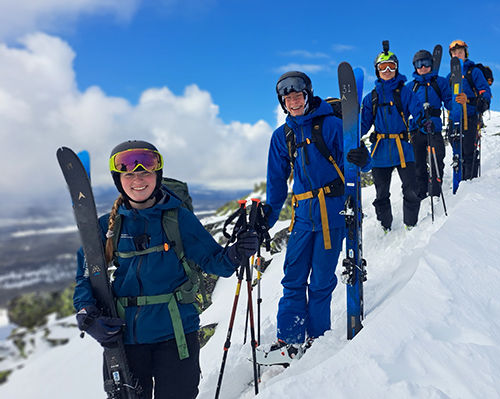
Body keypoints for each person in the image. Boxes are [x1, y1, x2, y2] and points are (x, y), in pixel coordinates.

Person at [73, 140, 258, 399]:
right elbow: (86, 275)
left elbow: (215, 262)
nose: (138, 179)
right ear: (118, 180)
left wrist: (236, 252)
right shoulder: (108, 227)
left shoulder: (179, 218)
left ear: (157, 175)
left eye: (145, 171)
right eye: (128, 174)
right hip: (125, 339)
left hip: (176, 336)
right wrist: (86, 312)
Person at [258, 71, 370, 365]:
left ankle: (317, 340)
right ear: (283, 103)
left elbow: (355, 156)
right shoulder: (282, 136)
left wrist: (363, 157)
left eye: (298, 95)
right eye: (288, 98)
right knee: (292, 278)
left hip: (332, 215)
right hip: (303, 217)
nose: (293, 102)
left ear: (307, 95)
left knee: (321, 280)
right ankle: (289, 341)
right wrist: (265, 222)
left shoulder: (331, 125)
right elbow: (276, 182)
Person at [361, 48, 424, 231]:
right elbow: (363, 124)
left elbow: (417, 111)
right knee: (381, 193)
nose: (387, 71)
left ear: (396, 69)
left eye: (391, 66)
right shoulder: (371, 98)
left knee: (411, 188)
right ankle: (384, 226)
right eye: (383, 67)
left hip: (403, 148)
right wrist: (351, 135)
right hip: (380, 150)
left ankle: (410, 225)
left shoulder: (405, 92)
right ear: (377, 70)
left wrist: (424, 121)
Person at [406, 49, 453, 198]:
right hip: (416, 129)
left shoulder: (440, 82)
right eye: (419, 64)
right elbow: (404, 111)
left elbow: (449, 102)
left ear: (431, 64)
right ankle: (422, 194)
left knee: (437, 159)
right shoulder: (410, 87)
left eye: (426, 63)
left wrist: (459, 103)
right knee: (418, 163)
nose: (423, 67)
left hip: (434, 128)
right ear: (415, 67)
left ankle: (435, 191)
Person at [446, 40, 491, 179]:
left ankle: (470, 180)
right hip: (454, 117)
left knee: (468, 149)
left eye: (460, 52)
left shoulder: (474, 72)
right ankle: (458, 178)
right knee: (456, 149)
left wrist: (482, 101)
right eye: (454, 53)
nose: (457, 55)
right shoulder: (449, 77)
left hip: (470, 116)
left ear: (465, 53)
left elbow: (485, 90)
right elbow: (447, 98)